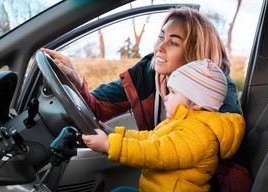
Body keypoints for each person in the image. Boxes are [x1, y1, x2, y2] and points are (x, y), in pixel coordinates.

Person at [65, 59, 245, 192]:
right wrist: (114, 135)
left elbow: (154, 152)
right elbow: (150, 138)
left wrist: (109, 145)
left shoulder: (199, 135)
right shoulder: (182, 123)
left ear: (196, 103)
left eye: (173, 92)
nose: (166, 96)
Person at [41, 6, 242, 132]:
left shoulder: (217, 89)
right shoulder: (148, 73)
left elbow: (231, 168)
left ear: (195, 53)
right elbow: (98, 108)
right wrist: (75, 79)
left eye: (173, 43)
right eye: (161, 37)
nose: (159, 48)